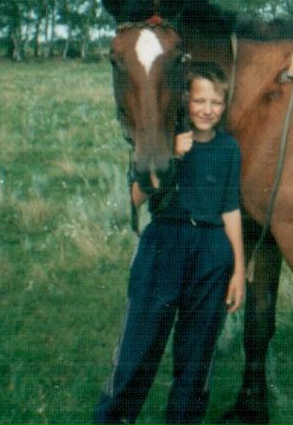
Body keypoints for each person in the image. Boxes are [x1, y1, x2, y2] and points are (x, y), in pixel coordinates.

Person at [94, 62, 246, 425]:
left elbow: (231, 210)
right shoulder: (162, 141)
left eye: (215, 102)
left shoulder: (229, 149)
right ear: (185, 101)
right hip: (164, 245)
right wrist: (169, 156)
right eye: (199, 100)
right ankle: (114, 418)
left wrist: (238, 269)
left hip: (212, 252)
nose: (207, 109)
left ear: (224, 106)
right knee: (139, 345)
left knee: (197, 354)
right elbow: (134, 198)